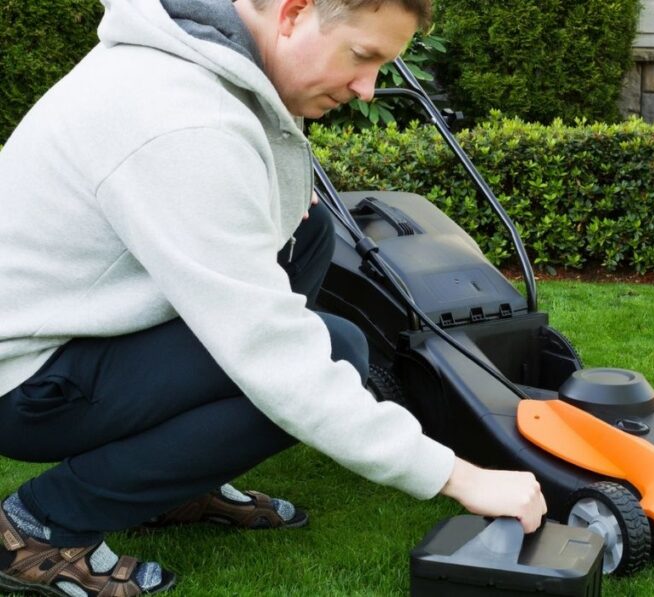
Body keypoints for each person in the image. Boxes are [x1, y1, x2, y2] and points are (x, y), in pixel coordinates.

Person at [0, 0, 547, 594]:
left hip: (73, 334)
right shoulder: (180, 119)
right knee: (333, 352)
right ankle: (38, 527)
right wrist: (459, 476)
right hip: (25, 381)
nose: (367, 89)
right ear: (292, 13)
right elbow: (276, 357)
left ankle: (177, 476)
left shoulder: (207, 58)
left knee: (307, 234)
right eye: (362, 57)